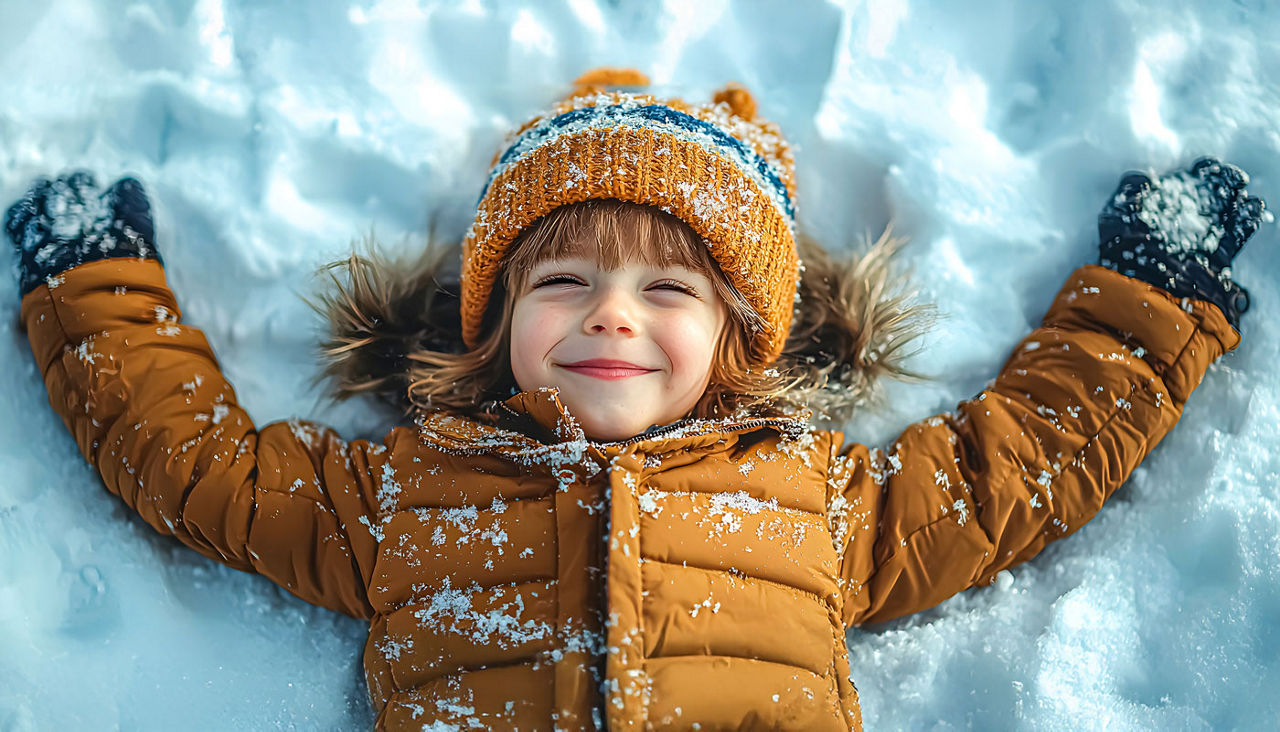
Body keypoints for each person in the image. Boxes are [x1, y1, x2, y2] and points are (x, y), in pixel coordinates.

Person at [5, 68, 1267, 730]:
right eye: (563, 278)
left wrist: (1140, 299)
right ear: (496, 330)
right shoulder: (399, 499)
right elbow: (194, 466)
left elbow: (1009, 472)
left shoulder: (816, 504)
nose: (612, 311)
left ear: (736, 345)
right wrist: (93, 289)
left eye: (669, 287)